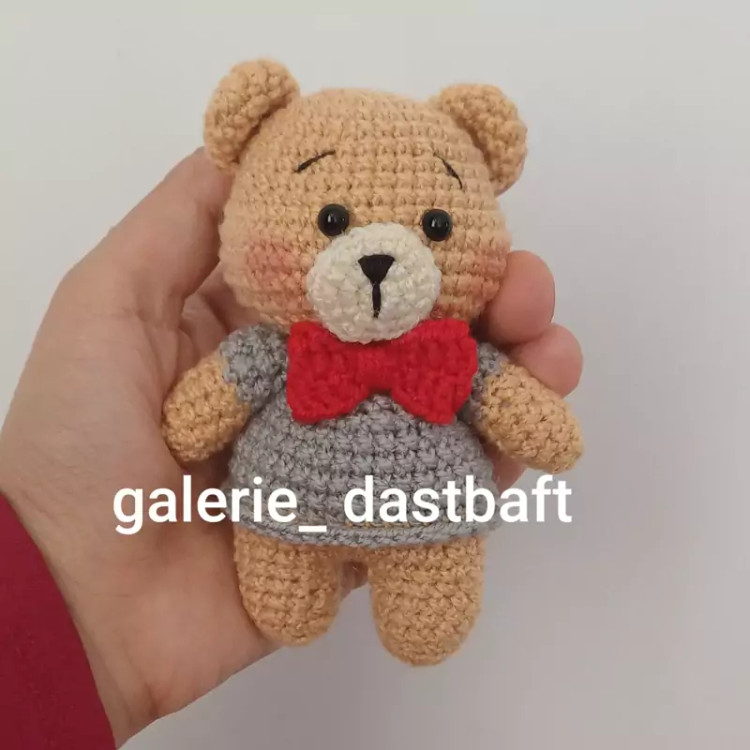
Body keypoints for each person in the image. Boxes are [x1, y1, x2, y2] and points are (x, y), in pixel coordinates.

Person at [0, 150, 583, 748]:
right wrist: (166, 442)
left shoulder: (456, 359)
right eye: (332, 221)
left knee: (428, 622)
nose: (377, 255)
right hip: (282, 517)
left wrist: (545, 430)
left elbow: (512, 404)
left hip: (432, 521)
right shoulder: (273, 352)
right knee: (286, 606)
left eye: (434, 226)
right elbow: (206, 407)